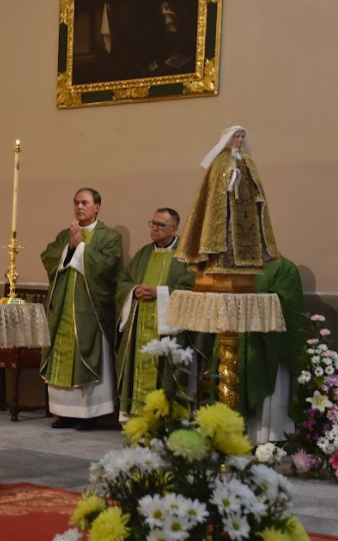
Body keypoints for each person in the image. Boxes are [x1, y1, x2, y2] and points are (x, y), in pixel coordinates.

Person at [40, 188, 123, 430]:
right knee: (62, 356)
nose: (79, 207)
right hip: (63, 309)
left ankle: (90, 415)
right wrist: (71, 248)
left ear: (97, 206)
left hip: (91, 310)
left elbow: (109, 268)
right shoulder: (64, 235)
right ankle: (64, 413)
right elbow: (49, 256)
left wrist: (81, 248)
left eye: (85, 202)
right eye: (76, 202)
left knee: (89, 355)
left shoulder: (110, 237)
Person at [115, 208, 194, 418]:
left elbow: (190, 290)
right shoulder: (143, 253)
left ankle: (166, 417)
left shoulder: (185, 257)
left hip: (168, 330)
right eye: (153, 223)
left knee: (166, 372)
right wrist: (134, 290)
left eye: (161, 225)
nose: (155, 229)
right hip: (139, 327)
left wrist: (159, 292)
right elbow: (124, 281)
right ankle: (135, 414)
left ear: (174, 228)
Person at [223, 256, 305, 444]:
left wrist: (247, 302)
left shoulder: (284, 267)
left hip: (268, 342)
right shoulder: (239, 266)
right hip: (240, 336)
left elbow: (285, 303)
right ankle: (239, 437)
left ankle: (269, 438)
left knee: (270, 393)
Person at [176, 125, 278, 273]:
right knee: (226, 238)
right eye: (237, 136)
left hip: (246, 209)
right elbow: (214, 188)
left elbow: (255, 183)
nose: (241, 140)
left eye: (242, 136)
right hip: (226, 210)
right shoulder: (220, 160)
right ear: (229, 139)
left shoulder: (247, 159)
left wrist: (256, 194)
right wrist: (228, 179)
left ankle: (246, 266)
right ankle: (220, 263)